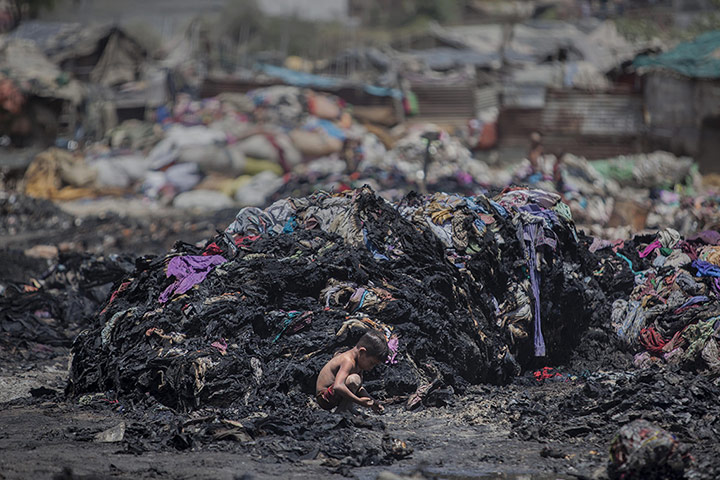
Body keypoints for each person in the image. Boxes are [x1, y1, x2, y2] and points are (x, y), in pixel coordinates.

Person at [315, 330, 389, 413]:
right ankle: (342, 411)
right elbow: (338, 386)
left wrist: (373, 402)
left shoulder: (359, 362)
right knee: (354, 379)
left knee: (355, 380)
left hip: (333, 394)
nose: (371, 367)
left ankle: (347, 409)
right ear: (362, 352)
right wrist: (359, 401)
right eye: (371, 363)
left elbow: (358, 388)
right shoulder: (348, 361)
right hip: (324, 398)